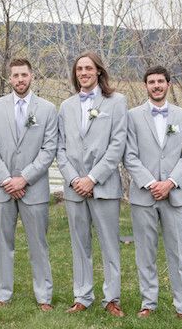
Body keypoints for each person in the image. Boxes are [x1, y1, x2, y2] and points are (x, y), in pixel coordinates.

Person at [56, 51, 128, 317]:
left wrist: (92, 178)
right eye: (79, 69)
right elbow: (59, 148)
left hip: (104, 186)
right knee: (79, 244)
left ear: (98, 71)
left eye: (88, 68)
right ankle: (82, 296)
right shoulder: (66, 106)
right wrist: (75, 179)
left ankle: (112, 298)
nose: (83, 73)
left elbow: (117, 144)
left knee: (109, 244)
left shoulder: (116, 102)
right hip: (75, 189)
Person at [0, 58, 57, 311]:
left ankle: (44, 296)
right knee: (4, 243)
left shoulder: (47, 109)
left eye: (23, 75)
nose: (19, 80)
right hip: (2, 188)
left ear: (32, 76)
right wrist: (6, 180)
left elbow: (49, 150)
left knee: (38, 243)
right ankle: (2, 294)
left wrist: (24, 178)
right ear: (9, 78)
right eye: (15, 76)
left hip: (33, 188)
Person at [124, 65, 182, 320]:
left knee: (177, 252)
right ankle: (148, 302)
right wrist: (151, 183)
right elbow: (129, 156)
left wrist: (171, 183)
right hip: (144, 195)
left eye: (160, 81)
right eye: (151, 82)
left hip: (173, 196)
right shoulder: (132, 116)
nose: (156, 85)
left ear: (168, 84)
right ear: (146, 86)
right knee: (145, 252)